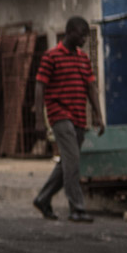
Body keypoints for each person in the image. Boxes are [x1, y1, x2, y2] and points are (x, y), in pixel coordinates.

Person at [33, 17, 104, 223]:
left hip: (79, 117)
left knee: (67, 163)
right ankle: (77, 208)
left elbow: (91, 87)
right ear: (70, 32)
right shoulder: (51, 56)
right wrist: (39, 119)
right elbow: (40, 87)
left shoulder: (83, 59)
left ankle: (43, 198)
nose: (84, 39)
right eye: (81, 35)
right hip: (59, 115)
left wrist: (98, 115)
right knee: (72, 160)